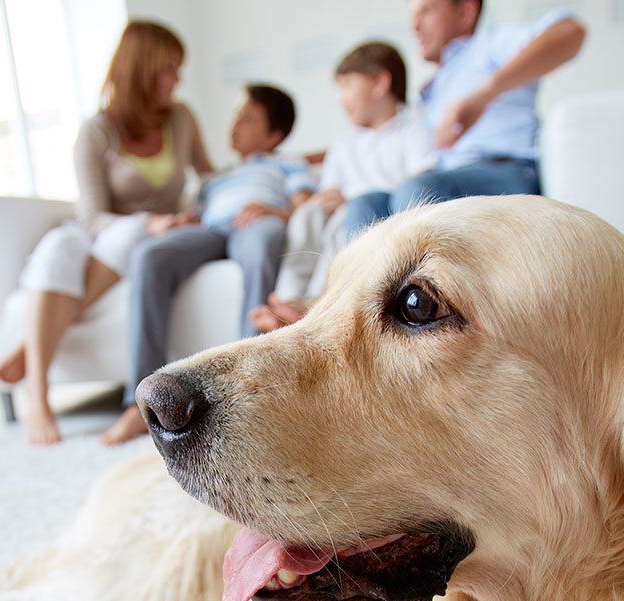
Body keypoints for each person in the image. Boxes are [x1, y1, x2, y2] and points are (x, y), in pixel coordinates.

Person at [0, 20, 214, 445]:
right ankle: (37, 396)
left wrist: (268, 165)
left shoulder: (181, 119)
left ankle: (31, 348)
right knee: (58, 244)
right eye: (169, 67)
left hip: (150, 238)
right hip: (106, 233)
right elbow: (92, 215)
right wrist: (149, 221)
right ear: (143, 69)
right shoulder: (97, 131)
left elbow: (209, 176)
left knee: (135, 238)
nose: (177, 78)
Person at [101, 84, 315, 444]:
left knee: (264, 241)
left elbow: (306, 203)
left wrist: (275, 211)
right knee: (149, 255)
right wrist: (185, 220)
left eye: (247, 118)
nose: (234, 124)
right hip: (211, 229)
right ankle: (137, 404)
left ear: (273, 134)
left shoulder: (288, 164)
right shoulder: (216, 179)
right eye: (235, 115)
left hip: (256, 223)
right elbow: (198, 213)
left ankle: (249, 389)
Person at [344, 0, 586, 235]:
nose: (414, 26)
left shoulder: (486, 47)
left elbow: (569, 32)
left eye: (427, 10)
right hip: (444, 181)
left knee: (418, 191)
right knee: (364, 205)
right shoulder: (432, 89)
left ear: (466, 12)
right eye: (413, 14)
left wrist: (482, 96)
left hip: (507, 172)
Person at [248, 41, 436, 333]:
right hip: (337, 210)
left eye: (348, 86)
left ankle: (316, 303)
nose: (341, 99)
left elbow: (420, 187)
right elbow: (328, 192)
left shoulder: (414, 129)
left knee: (341, 221)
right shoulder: (345, 144)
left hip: (371, 215)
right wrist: (323, 199)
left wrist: (346, 199)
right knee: (308, 216)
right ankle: (287, 299)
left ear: (379, 83)